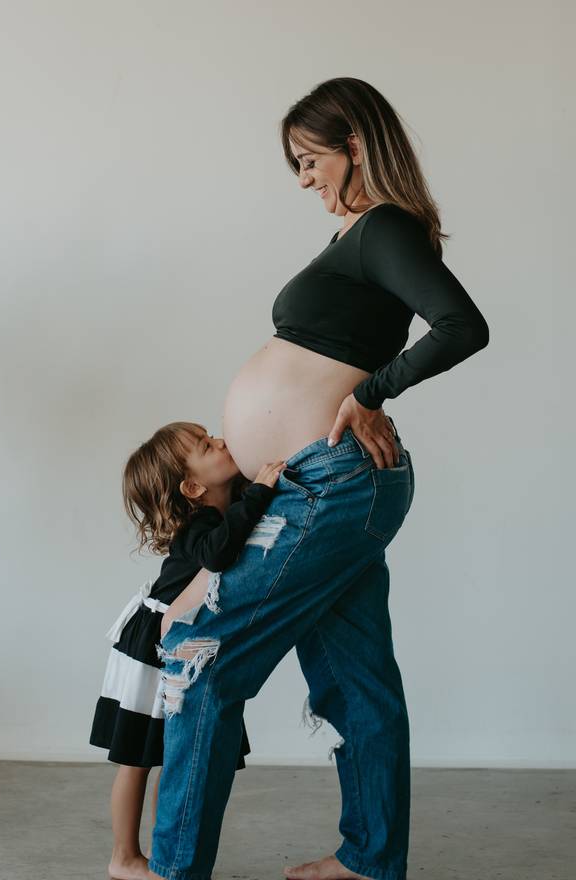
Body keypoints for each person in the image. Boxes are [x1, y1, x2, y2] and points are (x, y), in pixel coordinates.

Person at [146, 77, 490, 880]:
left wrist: (370, 392)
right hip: (323, 485)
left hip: (330, 485)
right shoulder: (357, 237)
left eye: (309, 159)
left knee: (199, 657)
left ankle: (171, 871)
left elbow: (461, 326)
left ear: (356, 144)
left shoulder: (384, 228)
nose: (303, 178)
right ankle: (370, 860)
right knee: (357, 681)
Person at [89, 420, 287, 880]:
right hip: (152, 643)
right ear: (193, 486)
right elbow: (219, 554)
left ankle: (164, 851)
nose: (221, 441)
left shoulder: (226, 503)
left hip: (174, 639)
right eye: (207, 445)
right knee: (137, 758)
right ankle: (123, 857)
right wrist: (258, 492)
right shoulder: (199, 525)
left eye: (211, 435)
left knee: (172, 755)